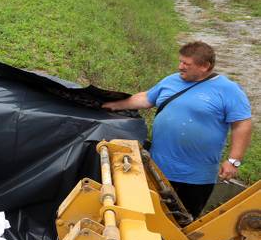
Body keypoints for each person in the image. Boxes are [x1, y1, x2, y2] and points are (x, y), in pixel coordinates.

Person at [102, 41, 252, 218]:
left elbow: (242, 124)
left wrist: (234, 160)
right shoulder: (171, 80)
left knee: (183, 223)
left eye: (186, 64)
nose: (180, 67)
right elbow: (146, 99)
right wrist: (113, 105)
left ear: (204, 66)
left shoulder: (228, 90)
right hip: (157, 169)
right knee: (149, 218)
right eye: (180, 61)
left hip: (196, 177)